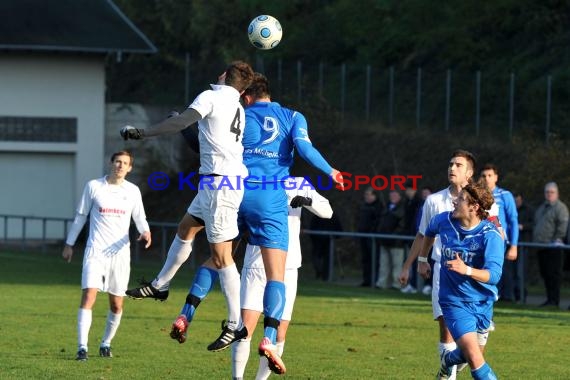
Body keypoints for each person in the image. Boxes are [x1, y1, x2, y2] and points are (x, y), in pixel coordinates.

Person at [120, 61, 255, 350]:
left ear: (224, 76)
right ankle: (160, 285)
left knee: (222, 257)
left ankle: (236, 324)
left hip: (220, 186)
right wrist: (179, 122)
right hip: (216, 183)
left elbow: (182, 122)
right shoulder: (236, 106)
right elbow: (199, 141)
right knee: (186, 229)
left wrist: (143, 133)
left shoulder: (211, 96)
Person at [232, 177, 333, 380]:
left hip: (288, 265)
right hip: (257, 264)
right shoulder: (251, 180)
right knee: (246, 328)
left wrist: (307, 201)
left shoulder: (298, 183)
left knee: (279, 334)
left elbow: (328, 211)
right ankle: (237, 377)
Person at [62, 151, 152, 361]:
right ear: (111, 163)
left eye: (125, 163)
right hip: (95, 251)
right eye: (118, 161)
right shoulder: (94, 186)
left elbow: (140, 217)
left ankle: (105, 343)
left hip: (120, 255)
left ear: (130, 168)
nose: (120, 166)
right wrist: (69, 243)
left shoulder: (133, 191)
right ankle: (82, 347)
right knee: (89, 296)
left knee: (116, 304)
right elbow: (81, 216)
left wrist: (145, 231)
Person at [399, 149, 477, 379]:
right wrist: (414, 263)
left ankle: (448, 367)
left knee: (475, 336)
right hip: (443, 271)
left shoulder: (480, 202)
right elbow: (423, 235)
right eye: (451, 164)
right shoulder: (433, 201)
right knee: (447, 328)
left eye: (459, 165)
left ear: (470, 173)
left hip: (472, 274)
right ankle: (449, 375)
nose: (452, 168)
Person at [418, 182, 504, 380]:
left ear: (474, 207)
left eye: (461, 199)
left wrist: (466, 269)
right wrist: (423, 259)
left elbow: (494, 276)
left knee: (469, 354)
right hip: (453, 301)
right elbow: (429, 232)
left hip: (483, 302)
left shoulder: (490, 235)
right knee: (475, 358)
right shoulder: (444, 221)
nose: (454, 200)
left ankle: (448, 360)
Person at [479, 164, 519, 302]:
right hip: (481, 240)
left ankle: (507, 298)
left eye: (490, 175)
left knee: (503, 272)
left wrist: (514, 245)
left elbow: (513, 220)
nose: (486, 178)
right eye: (484, 176)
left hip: (500, 241)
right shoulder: (478, 195)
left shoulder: (505, 195)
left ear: (496, 177)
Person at [532, 182, 569, 308]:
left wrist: (558, 238)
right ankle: (549, 299)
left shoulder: (560, 208)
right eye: (547, 192)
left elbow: (563, 225)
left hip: (554, 248)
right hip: (541, 247)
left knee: (554, 275)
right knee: (546, 274)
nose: (549, 194)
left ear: (557, 193)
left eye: (552, 192)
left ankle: (554, 301)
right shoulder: (543, 207)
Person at [376, 189, 406, 289]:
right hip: (384, 240)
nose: (392, 197)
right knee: (383, 264)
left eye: (395, 195)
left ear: (400, 197)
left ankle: (396, 285)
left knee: (397, 264)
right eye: (391, 195)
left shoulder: (402, 209)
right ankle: (382, 283)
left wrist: (393, 235)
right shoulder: (386, 208)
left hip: (396, 242)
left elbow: (402, 226)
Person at [356, 187, 383, 287]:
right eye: (366, 194)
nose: (366, 196)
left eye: (369, 194)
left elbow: (377, 222)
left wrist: (372, 231)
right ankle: (366, 280)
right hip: (363, 236)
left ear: (374, 196)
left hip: (372, 238)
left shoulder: (378, 207)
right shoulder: (363, 206)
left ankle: (374, 280)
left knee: (374, 260)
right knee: (365, 260)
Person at [309, 209, 343, 281]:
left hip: (327, 241)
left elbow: (339, 229)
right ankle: (321, 273)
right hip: (319, 240)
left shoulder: (332, 216)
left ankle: (323, 275)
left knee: (324, 258)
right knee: (319, 258)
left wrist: (336, 236)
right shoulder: (318, 215)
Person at [514, 192, 533, 302]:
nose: (517, 203)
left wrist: (523, 226)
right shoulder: (512, 210)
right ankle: (514, 296)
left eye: (518, 201)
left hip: (524, 245)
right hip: (514, 244)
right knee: (513, 272)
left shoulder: (529, 210)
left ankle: (522, 296)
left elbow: (533, 224)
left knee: (521, 272)